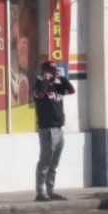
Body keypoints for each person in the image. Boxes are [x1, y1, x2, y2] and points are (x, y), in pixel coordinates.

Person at [34, 60, 75, 202]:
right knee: (45, 161)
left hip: (59, 128)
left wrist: (60, 78)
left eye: (55, 70)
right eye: (52, 70)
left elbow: (71, 90)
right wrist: (45, 80)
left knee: (54, 163)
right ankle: (41, 192)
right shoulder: (39, 84)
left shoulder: (58, 85)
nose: (54, 72)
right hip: (47, 129)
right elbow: (40, 94)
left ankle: (51, 191)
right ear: (45, 71)